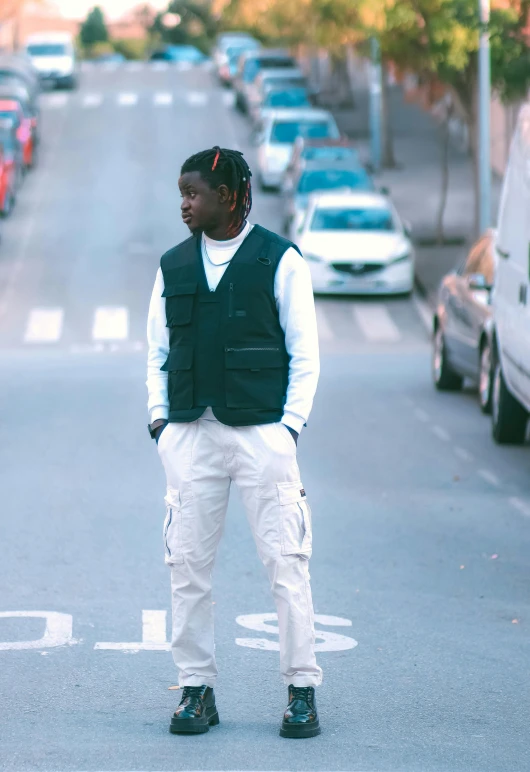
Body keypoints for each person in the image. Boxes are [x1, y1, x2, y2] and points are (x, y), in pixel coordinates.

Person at [146, 146, 322, 738]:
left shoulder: (281, 260)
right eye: (181, 193)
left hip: (262, 437)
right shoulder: (172, 265)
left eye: (192, 194)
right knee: (187, 567)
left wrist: (288, 428)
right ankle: (196, 691)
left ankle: (301, 692)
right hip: (192, 435)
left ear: (227, 196)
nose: (184, 205)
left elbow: (306, 354)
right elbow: (157, 352)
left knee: (286, 566)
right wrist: (160, 425)